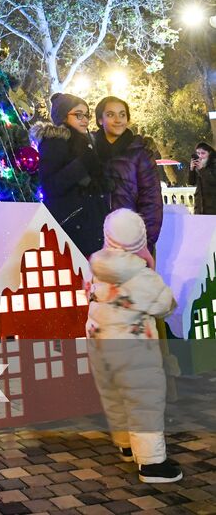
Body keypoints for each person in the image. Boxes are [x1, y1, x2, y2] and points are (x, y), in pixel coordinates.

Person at [86, 208, 182, 483]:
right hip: (134, 351)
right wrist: (151, 270)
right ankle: (151, 464)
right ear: (140, 241)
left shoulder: (97, 268)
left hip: (101, 346)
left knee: (115, 397)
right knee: (144, 403)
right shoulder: (142, 276)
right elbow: (165, 304)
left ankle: (126, 445)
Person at [29, 92, 110, 257]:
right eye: (78, 115)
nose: (85, 120)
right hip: (72, 226)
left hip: (93, 224)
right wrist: (82, 164)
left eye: (87, 115)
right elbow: (51, 185)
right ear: (63, 116)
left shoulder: (86, 143)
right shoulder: (54, 142)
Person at [94, 96, 163, 257]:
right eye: (111, 114)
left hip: (131, 243)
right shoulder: (89, 150)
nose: (118, 120)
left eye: (122, 114)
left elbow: (151, 201)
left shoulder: (140, 153)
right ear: (99, 120)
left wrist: (144, 243)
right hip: (96, 242)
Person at [190, 141, 216, 215]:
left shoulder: (213, 164)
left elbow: (213, 181)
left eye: (203, 153)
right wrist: (191, 170)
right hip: (199, 207)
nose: (200, 156)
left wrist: (202, 169)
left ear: (209, 153)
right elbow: (191, 182)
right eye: (198, 153)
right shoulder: (199, 166)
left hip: (212, 207)